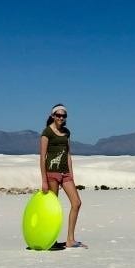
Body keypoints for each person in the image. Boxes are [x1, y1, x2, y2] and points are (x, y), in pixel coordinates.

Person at [40, 104, 87, 248]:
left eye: (63, 116)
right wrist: (44, 181)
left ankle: (70, 240)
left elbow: (68, 154)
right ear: (53, 116)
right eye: (58, 115)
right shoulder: (47, 132)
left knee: (76, 203)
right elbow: (43, 157)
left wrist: (71, 175)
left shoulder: (66, 132)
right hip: (52, 173)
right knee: (53, 208)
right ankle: (50, 239)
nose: (61, 118)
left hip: (65, 173)